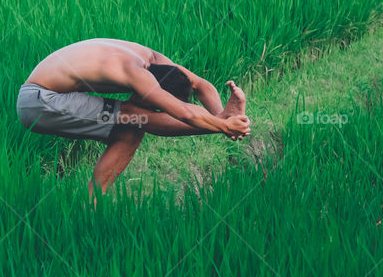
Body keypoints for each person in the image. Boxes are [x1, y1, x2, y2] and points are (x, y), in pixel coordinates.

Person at [17, 38, 250, 194]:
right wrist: (223, 126)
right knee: (136, 116)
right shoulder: (136, 73)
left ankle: (91, 209)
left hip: (45, 96)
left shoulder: (155, 60)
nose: (153, 107)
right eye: (156, 104)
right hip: (40, 100)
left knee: (131, 130)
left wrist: (222, 115)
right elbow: (184, 113)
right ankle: (90, 208)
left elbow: (199, 84)